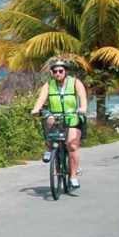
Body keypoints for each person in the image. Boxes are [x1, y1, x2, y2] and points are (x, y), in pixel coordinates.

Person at [30, 59, 88, 189]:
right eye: (55, 71)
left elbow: (82, 97)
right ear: (52, 73)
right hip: (56, 116)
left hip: (72, 117)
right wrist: (36, 109)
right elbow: (41, 99)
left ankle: (73, 176)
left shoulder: (75, 83)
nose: (57, 73)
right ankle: (50, 149)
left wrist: (83, 108)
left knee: (72, 145)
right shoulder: (48, 85)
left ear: (65, 71)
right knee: (49, 120)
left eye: (60, 71)